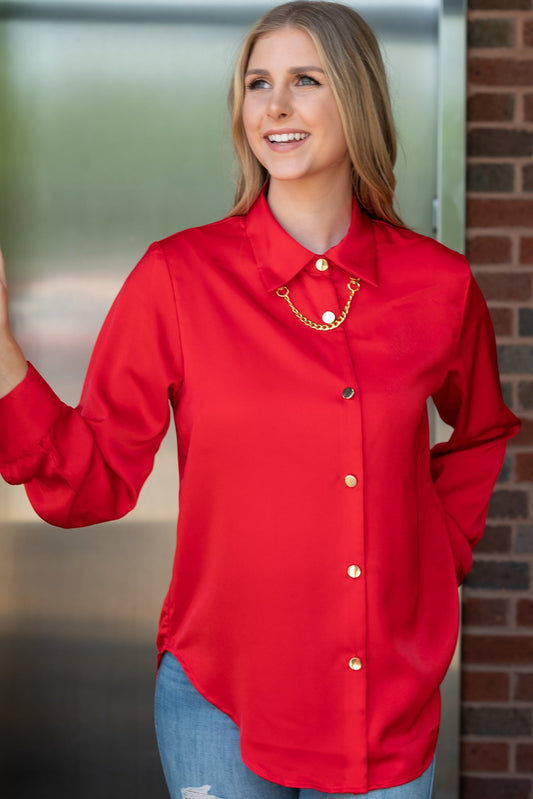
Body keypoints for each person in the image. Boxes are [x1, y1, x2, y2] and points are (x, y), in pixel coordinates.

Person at [0, 2, 520, 798]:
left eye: (303, 80)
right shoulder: (178, 278)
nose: (273, 106)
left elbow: (481, 431)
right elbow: (92, 477)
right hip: (220, 696)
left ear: (357, 100)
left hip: (381, 700)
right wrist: (4, 361)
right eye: (256, 84)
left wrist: (432, 552)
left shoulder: (439, 287)